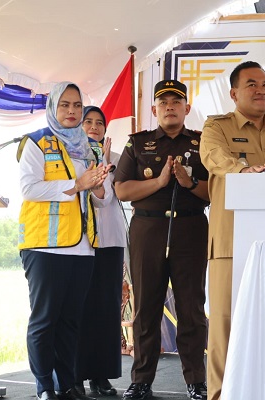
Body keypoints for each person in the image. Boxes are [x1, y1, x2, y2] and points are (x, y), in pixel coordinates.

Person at [199, 61, 265, 400]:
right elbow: (213, 157)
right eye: (252, 84)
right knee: (225, 325)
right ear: (234, 93)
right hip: (229, 241)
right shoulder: (217, 127)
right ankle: (220, 395)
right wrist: (243, 171)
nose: (261, 89)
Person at [114, 80, 210, 400]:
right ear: (154, 109)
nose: (170, 106)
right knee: (146, 309)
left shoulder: (203, 142)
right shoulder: (138, 143)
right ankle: (141, 381)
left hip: (190, 228)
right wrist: (160, 182)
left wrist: (189, 181)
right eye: (163, 102)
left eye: (176, 101)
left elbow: (215, 191)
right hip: (148, 229)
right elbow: (122, 189)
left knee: (191, 308)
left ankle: (196, 381)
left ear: (187, 108)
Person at [18, 82, 113, 400]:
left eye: (77, 105)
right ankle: (44, 385)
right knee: (45, 320)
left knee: (71, 321)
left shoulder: (91, 148)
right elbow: (29, 188)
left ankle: (67, 383)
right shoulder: (36, 142)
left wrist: (98, 187)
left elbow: (102, 200)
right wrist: (77, 184)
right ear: (53, 107)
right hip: (44, 246)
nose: (72, 111)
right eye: (65, 105)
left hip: (83, 246)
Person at [74, 106, 127, 396]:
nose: (94, 127)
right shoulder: (69, 157)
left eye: (99, 123)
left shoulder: (116, 158)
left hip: (109, 240)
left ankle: (101, 375)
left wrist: (105, 164)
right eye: (88, 122)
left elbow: (106, 200)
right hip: (78, 242)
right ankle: (75, 375)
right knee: (79, 308)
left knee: (106, 309)